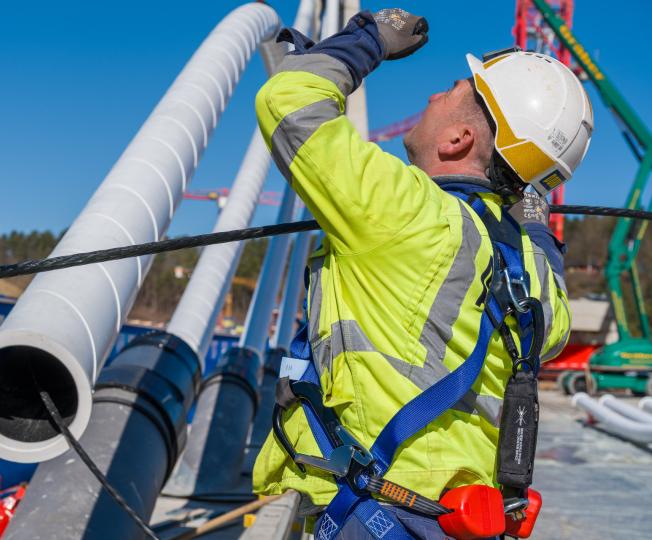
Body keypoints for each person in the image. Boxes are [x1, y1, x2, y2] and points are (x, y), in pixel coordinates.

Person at [252, 7, 593, 540]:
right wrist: (529, 204)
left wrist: (367, 40)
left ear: (458, 139)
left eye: (455, 90)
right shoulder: (533, 273)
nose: (435, 95)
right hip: (455, 518)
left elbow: (287, 101)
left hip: (372, 511)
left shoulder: (407, 213)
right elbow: (543, 249)